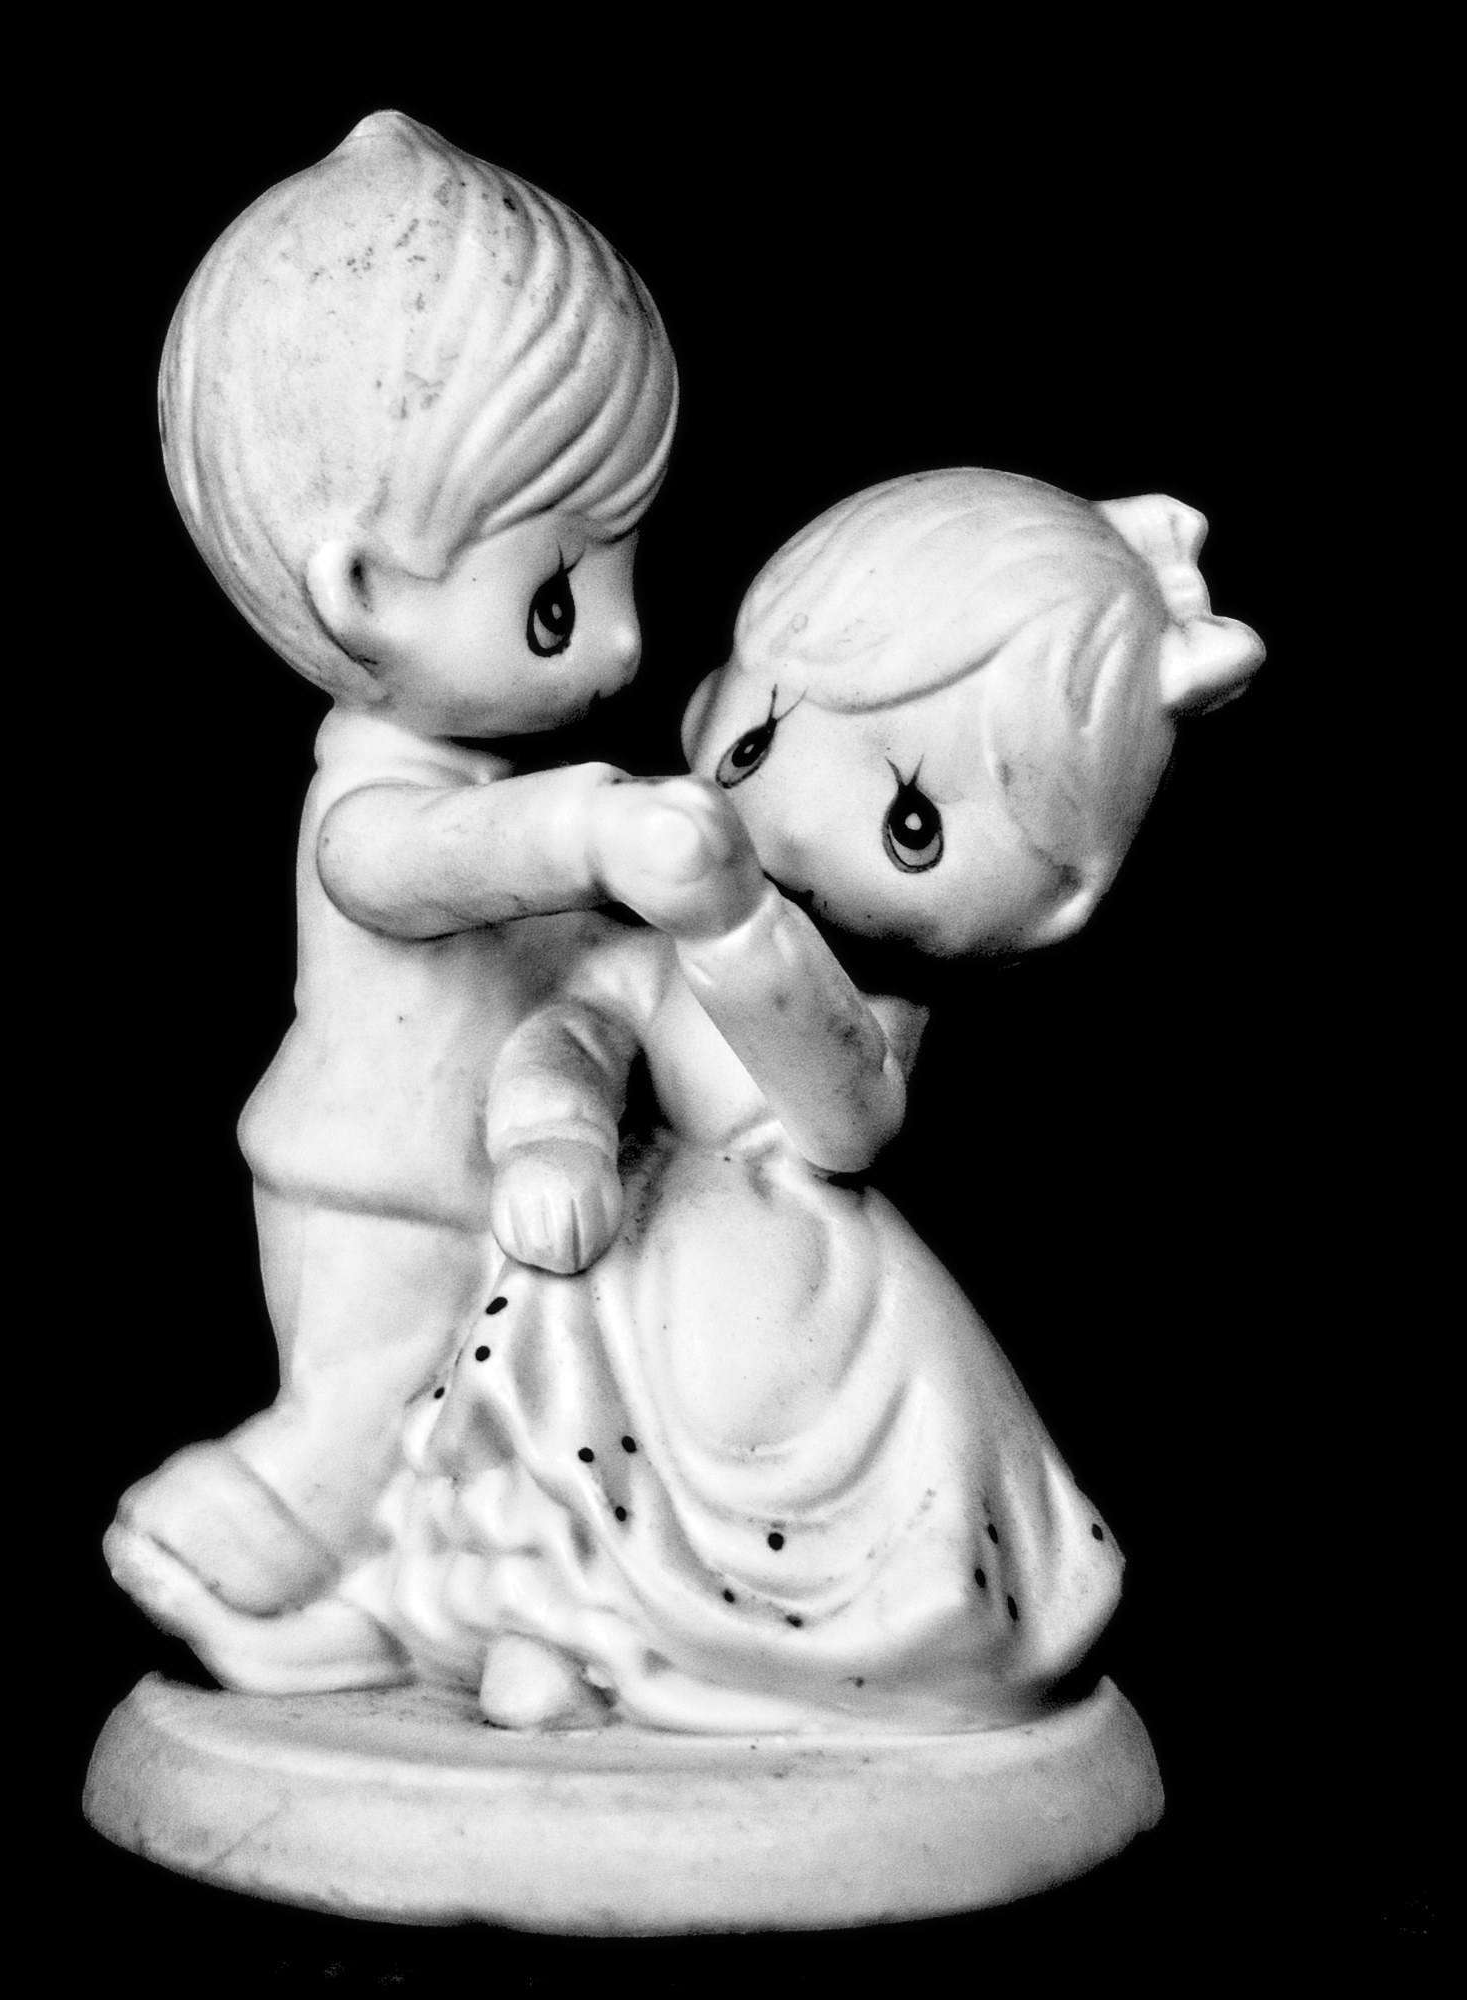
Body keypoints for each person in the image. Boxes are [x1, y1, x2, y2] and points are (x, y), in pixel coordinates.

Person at [350, 468, 1265, 1731]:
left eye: (909, 820)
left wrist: (738, 928)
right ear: (714, 696)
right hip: (630, 1254)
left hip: (815, 1311)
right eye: (762, 738)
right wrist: (554, 1136)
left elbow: (846, 1115)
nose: (792, 821)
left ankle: (751, 1667)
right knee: (558, 1437)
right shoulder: (638, 945)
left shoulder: (867, 1008)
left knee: (849, 1527)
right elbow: (574, 1032)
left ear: (1055, 906)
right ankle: (563, 1637)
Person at [105, 110, 704, 1688]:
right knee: (356, 1413)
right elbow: (420, 871)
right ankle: (207, 1546)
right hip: (374, 1187)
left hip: (477, 1177)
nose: (623, 643)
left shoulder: (478, 778)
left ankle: (393, 1611)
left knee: (452, 1423)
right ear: (363, 593)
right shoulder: (374, 807)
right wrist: (589, 832)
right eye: (558, 596)